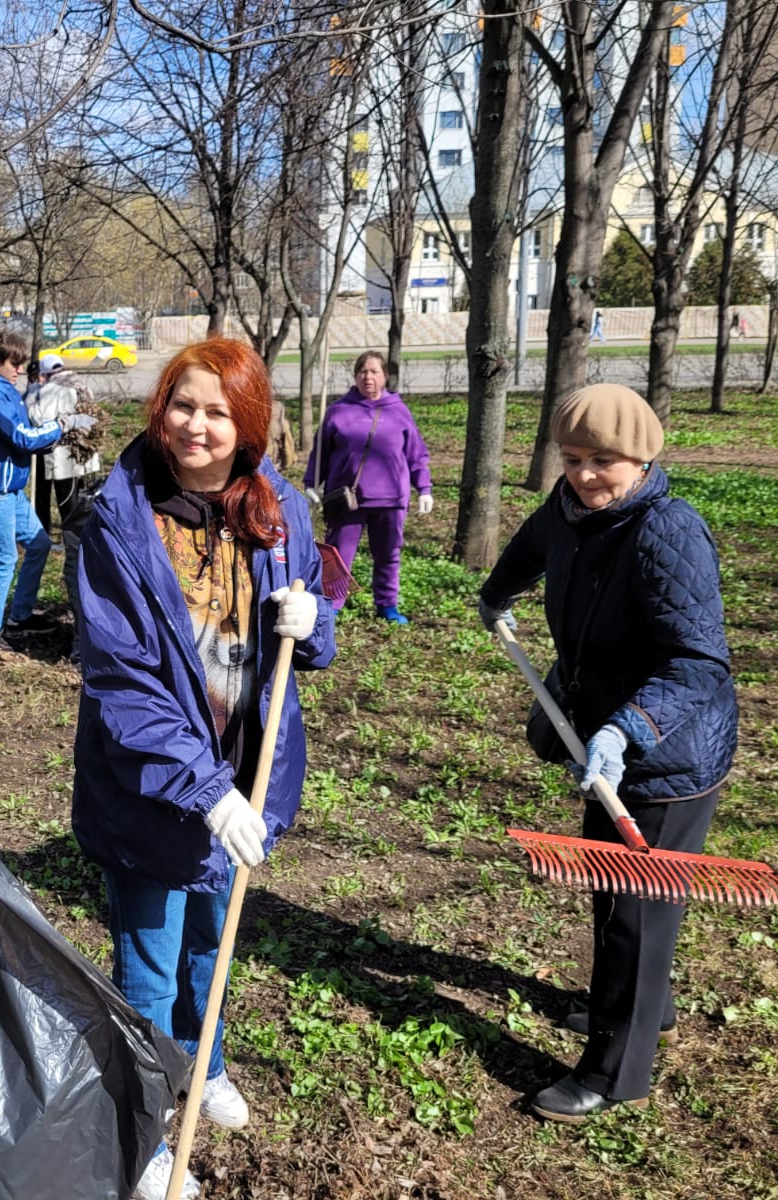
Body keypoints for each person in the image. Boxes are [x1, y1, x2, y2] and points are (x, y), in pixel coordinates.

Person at [71, 337, 336, 1200]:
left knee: (211, 939)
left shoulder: (279, 507)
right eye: (184, 405)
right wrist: (204, 788)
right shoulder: (118, 518)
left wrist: (314, 619)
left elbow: (302, 645)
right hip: (152, 783)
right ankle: (147, 1131)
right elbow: (122, 683)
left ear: (248, 422)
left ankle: (206, 1066)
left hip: (246, 775)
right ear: (161, 409)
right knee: (148, 964)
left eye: (219, 411)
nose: (197, 425)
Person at [476, 383, 737, 1123]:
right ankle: (644, 1009)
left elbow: (698, 662)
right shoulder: (571, 511)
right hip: (602, 734)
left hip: (667, 754)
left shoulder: (666, 531)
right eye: (574, 459)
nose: (586, 476)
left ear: (643, 458)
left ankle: (616, 1071)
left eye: (605, 462)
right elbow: (534, 543)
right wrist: (498, 593)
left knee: (636, 912)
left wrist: (629, 731)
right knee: (624, 902)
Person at [0, 332, 94, 652]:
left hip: (10, 490)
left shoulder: (2, 388)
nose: (20, 370)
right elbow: (23, 437)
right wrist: (65, 423)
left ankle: (20, 617)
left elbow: (26, 431)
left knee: (39, 544)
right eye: (14, 364)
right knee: (4, 559)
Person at [302, 350, 432, 624]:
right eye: (363, 371)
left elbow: (416, 454)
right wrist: (311, 484)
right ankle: (331, 606)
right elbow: (321, 453)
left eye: (374, 371)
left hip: (390, 498)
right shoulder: (338, 411)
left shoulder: (399, 411)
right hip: (347, 499)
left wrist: (424, 488)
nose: (368, 376)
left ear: (385, 376)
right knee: (338, 556)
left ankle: (387, 605)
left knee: (388, 555)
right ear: (355, 376)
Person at [26, 353, 102, 659]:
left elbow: (36, 419)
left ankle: (65, 541)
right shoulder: (80, 383)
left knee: (69, 509)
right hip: (85, 457)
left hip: (62, 457)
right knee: (81, 504)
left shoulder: (51, 389)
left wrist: (32, 395)